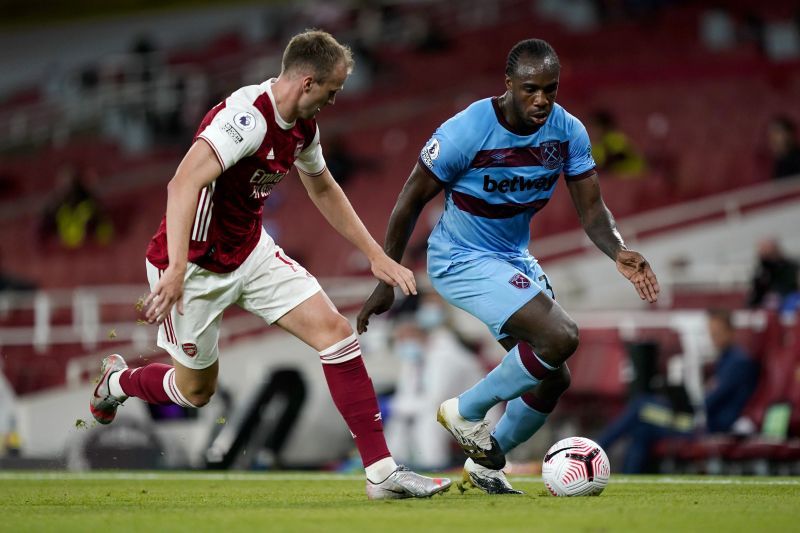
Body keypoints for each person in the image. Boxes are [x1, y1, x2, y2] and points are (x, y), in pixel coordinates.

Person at [88, 30, 450, 500]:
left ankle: (381, 473)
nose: (335, 100)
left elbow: (322, 187)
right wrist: (176, 267)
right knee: (197, 391)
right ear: (306, 82)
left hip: (251, 253)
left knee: (336, 333)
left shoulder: (303, 128)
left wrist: (375, 254)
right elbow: (182, 185)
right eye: (332, 90)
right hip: (193, 266)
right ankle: (117, 383)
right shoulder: (246, 119)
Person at [357, 38, 660, 494]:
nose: (541, 100)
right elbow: (409, 201)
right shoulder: (467, 130)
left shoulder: (568, 132)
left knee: (553, 376)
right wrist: (387, 276)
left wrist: (617, 250)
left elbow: (593, 210)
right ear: (508, 85)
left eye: (550, 90)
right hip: (460, 256)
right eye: (530, 89)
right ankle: (465, 411)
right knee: (561, 335)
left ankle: (484, 465)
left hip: (513, 256)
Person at [597, 309, 759, 473]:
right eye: (711, 333)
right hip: (696, 421)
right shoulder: (725, 360)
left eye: (717, 332)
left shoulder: (738, 362)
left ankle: (596, 449)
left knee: (642, 407)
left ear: (731, 332)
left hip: (704, 427)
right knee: (641, 430)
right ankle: (628, 479)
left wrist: (692, 401)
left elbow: (709, 402)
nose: (713, 338)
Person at [589, 109, 646, 179]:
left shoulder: (614, 138)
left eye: (594, 126)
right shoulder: (595, 146)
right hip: (615, 178)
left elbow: (618, 157)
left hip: (633, 174)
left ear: (604, 127)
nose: (590, 129)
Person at [746, 238, 799, 309]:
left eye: (766, 249)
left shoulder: (789, 266)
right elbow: (756, 292)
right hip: (764, 306)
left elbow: (790, 286)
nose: (763, 253)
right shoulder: (761, 268)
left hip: (785, 303)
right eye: (762, 249)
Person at [766, 115, 800, 180]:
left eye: (777, 132)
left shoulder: (797, 160)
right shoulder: (779, 164)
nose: (773, 138)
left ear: (789, 134)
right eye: (770, 134)